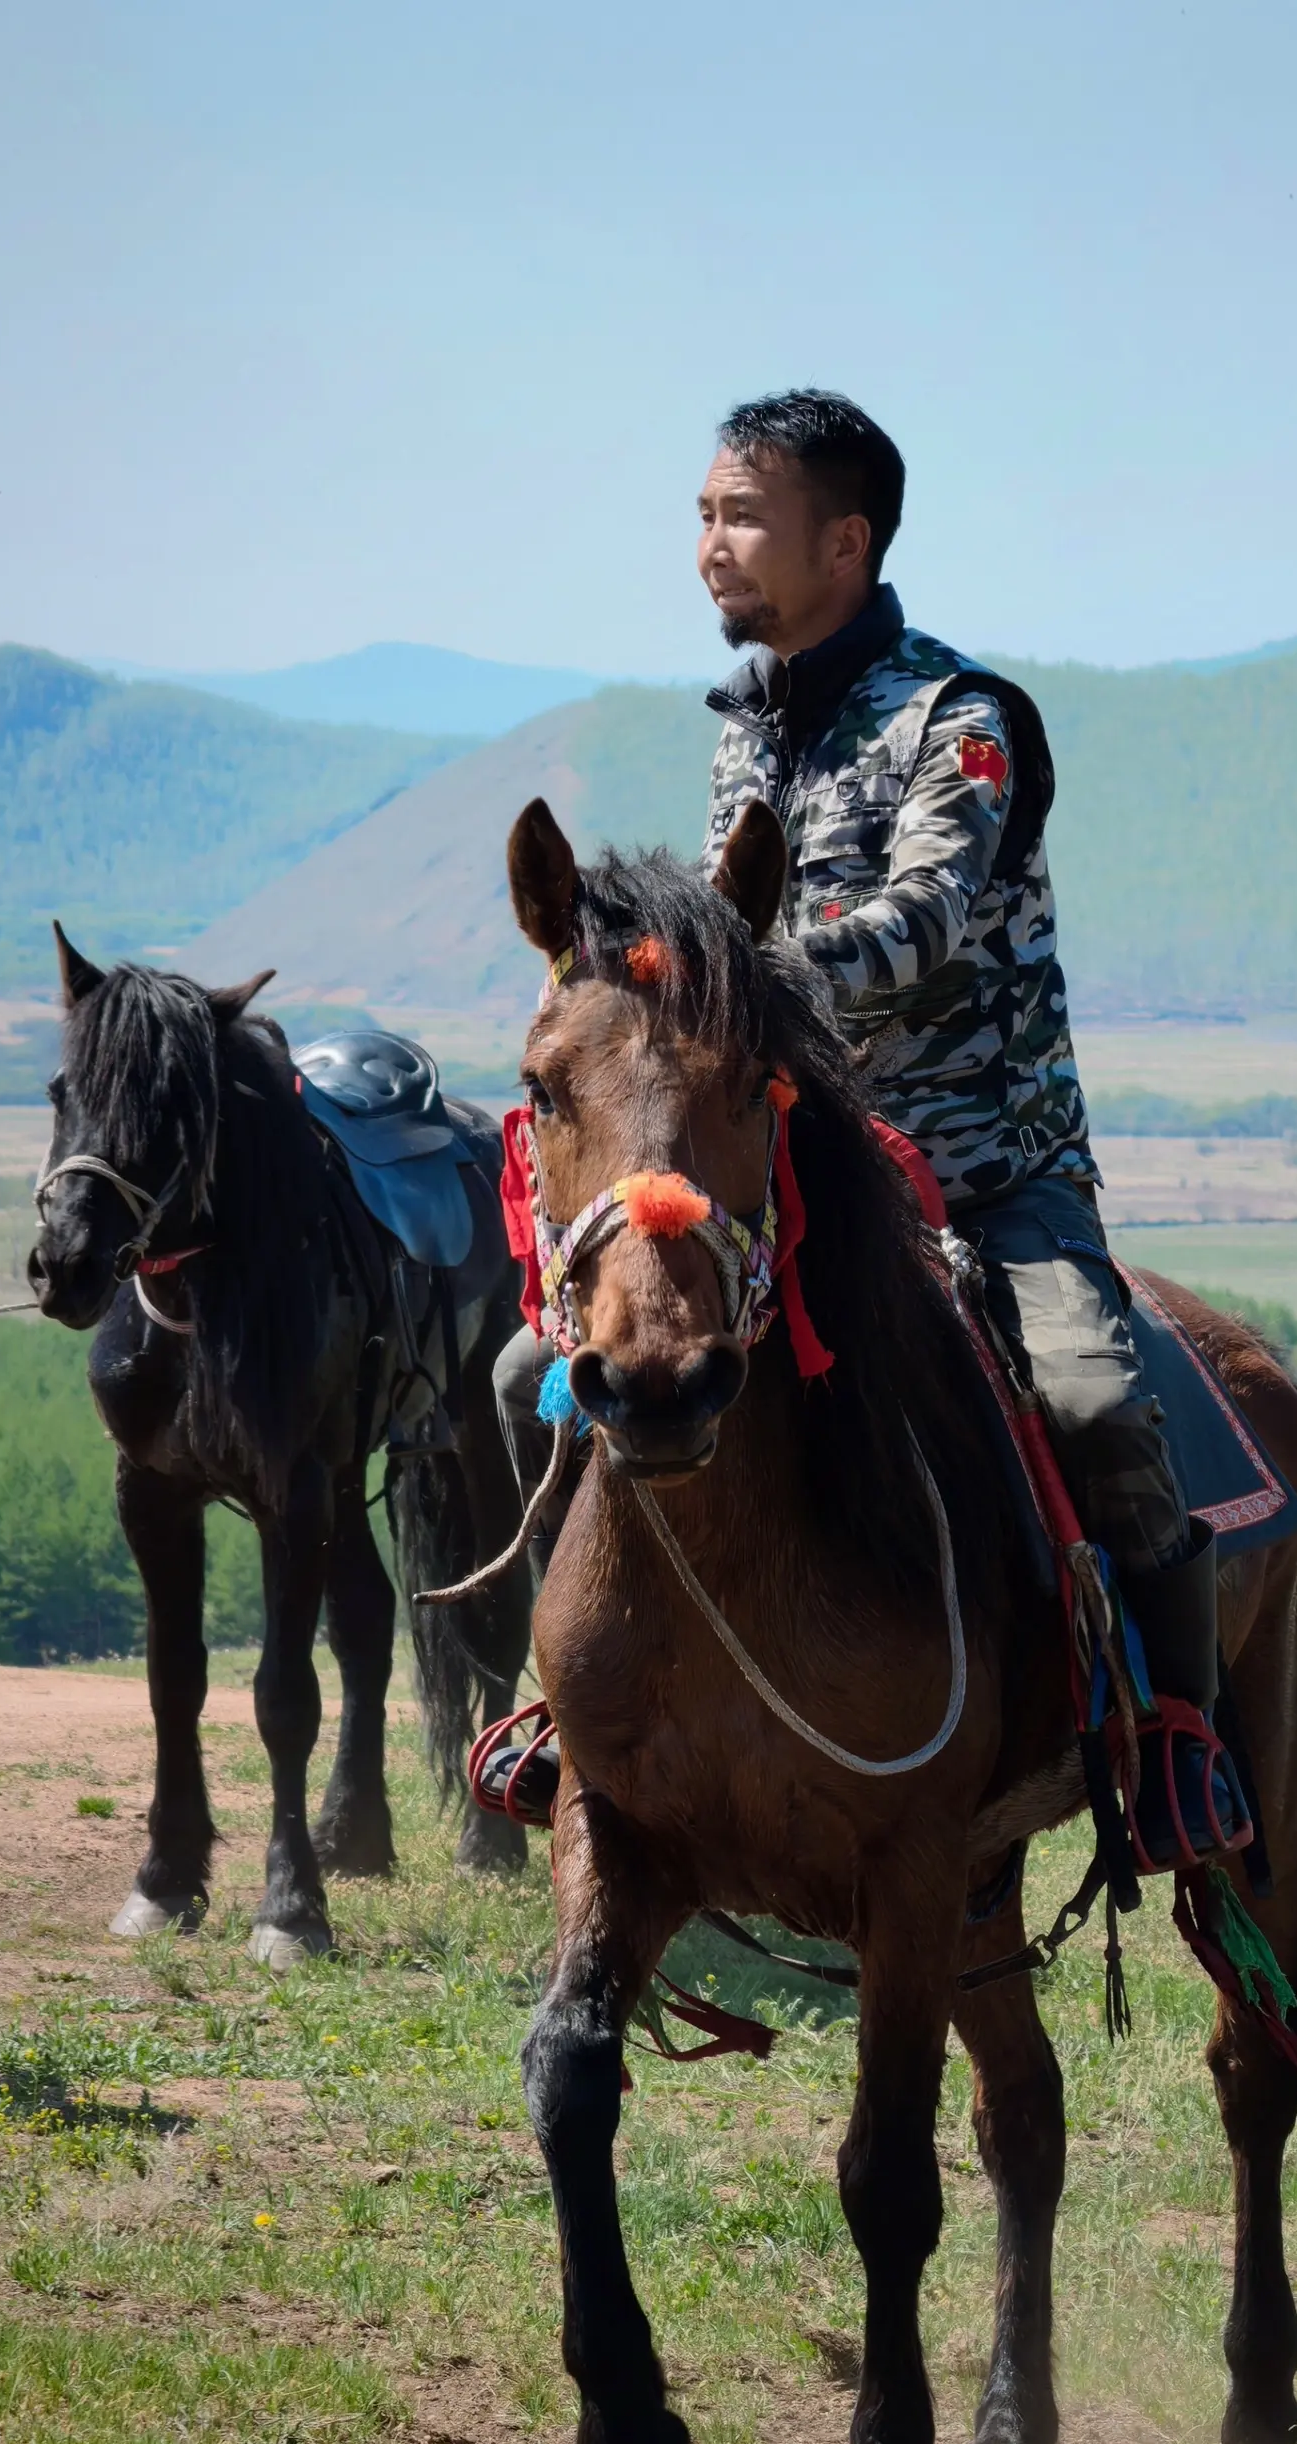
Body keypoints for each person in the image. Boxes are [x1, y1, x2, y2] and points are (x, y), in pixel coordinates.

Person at [494, 389, 1234, 1855]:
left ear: (845, 542)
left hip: (987, 1173)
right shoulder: (746, 733)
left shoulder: (964, 723)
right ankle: (580, 1703)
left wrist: (732, 978)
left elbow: (927, 921)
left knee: (1094, 1405)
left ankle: (1175, 1740)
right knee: (539, 1372)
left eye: (742, 517)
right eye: (704, 516)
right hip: (799, 1173)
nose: (710, 545)